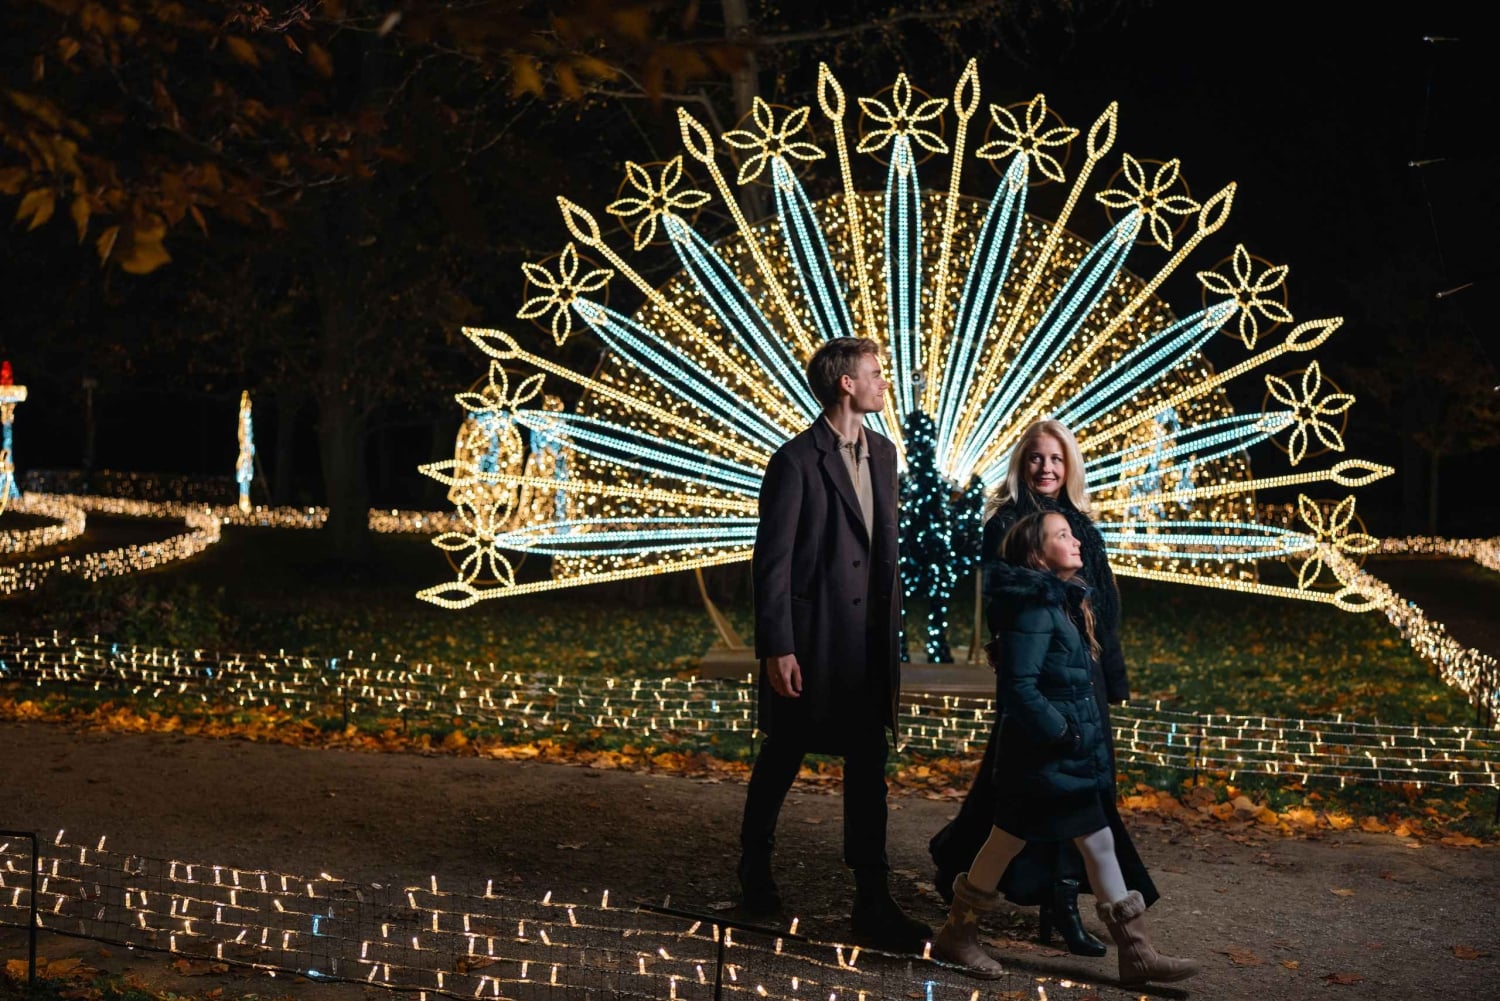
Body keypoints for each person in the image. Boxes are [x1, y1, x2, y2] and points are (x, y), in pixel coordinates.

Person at [933, 512, 1199, 985]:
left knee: (1078, 841)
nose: (1075, 541)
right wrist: (1063, 733)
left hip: (1057, 760)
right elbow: (1020, 687)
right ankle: (959, 935)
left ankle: (1135, 952)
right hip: (1043, 758)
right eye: (1062, 536)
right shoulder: (1035, 610)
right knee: (1013, 841)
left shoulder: (1060, 604)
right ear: (1037, 554)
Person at [928, 419, 1155, 956]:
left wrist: (1113, 676)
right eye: (1036, 458)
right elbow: (1009, 608)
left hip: (1085, 671)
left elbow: (1105, 608)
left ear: (1069, 465)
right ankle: (1032, 900)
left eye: (1056, 459)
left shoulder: (1082, 529)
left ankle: (1060, 900)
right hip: (1041, 672)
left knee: (1080, 793)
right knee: (1036, 793)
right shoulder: (1008, 523)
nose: (1047, 468)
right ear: (1022, 463)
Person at [738, 336, 931, 952]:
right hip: (815, 638)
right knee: (785, 751)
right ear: (845, 383)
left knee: (868, 762)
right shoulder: (796, 460)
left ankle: (871, 898)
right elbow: (771, 562)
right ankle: (754, 861)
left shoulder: (885, 454)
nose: (883, 383)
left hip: (868, 642)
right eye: (876, 373)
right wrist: (778, 646)